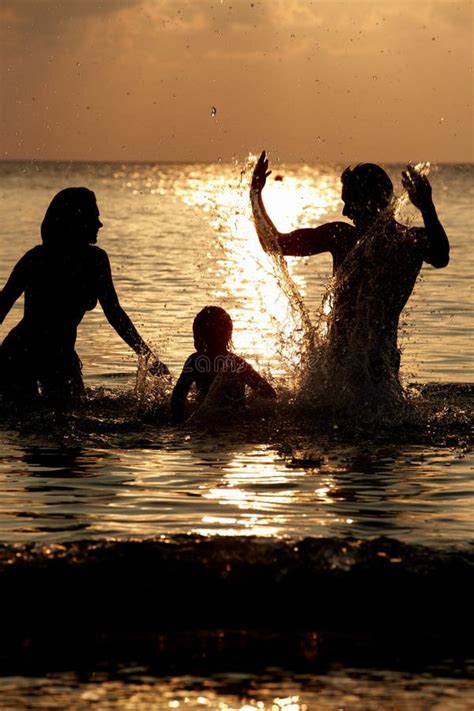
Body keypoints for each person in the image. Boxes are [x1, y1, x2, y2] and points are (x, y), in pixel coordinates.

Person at [250, 151, 450, 411]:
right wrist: (256, 196)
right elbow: (275, 245)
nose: (345, 211)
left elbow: (441, 256)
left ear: (370, 202)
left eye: (350, 202)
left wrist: (427, 207)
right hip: (364, 367)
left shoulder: (399, 241)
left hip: (366, 367)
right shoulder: (354, 237)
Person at [0, 187, 168, 403]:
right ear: (76, 221)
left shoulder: (96, 260)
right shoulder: (36, 259)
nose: (100, 224)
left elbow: (115, 314)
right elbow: (2, 306)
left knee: (66, 421)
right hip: (20, 355)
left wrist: (146, 355)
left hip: (61, 356)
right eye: (94, 217)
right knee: (31, 423)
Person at [171, 306, 276, 423]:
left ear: (198, 334)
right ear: (228, 334)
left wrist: (178, 425)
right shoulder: (237, 363)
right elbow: (270, 393)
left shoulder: (195, 361)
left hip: (204, 424)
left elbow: (177, 397)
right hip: (236, 426)